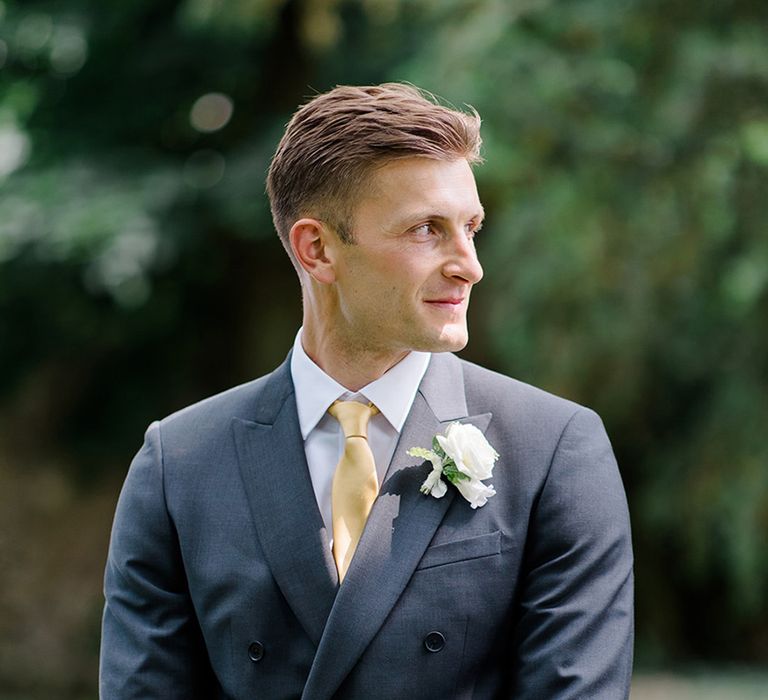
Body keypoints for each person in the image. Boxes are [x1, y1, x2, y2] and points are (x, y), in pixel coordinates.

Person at [99, 83, 634, 699]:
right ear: (317, 249)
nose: (469, 264)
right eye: (426, 231)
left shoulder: (555, 450)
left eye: (471, 227)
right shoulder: (178, 465)